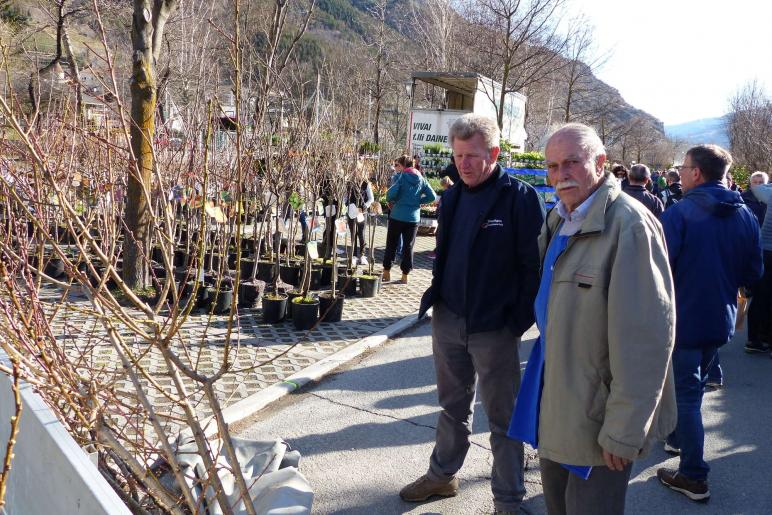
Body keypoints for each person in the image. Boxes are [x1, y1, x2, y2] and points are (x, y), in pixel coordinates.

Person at [509, 123, 676, 515]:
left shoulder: (629, 226)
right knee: (558, 507)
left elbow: (647, 341)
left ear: (600, 163)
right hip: (558, 401)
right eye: (552, 166)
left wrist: (623, 430)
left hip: (600, 417)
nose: (560, 174)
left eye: (571, 162)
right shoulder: (561, 217)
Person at [403, 114, 544, 514]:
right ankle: (442, 476)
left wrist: (516, 322)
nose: (464, 164)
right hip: (448, 319)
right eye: (459, 155)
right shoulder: (451, 197)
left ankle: (508, 499)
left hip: (495, 327)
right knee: (451, 407)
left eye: (473, 156)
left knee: (504, 419)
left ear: (494, 153)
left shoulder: (518, 198)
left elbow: (531, 266)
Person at [657, 145, 763, 502]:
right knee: (693, 387)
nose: (681, 173)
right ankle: (677, 439)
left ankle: (693, 475)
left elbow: (658, 271)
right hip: (720, 317)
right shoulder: (746, 215)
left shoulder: (680, 213)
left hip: (682, 317)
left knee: (686, 393)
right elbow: (754, 273)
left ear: (697, 173)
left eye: (684, 168)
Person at [382, 155, 436, 284]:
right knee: (408, 247)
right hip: (413, 218)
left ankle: (387, 272)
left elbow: (390, 193)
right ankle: (405, 275)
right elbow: (432, 196)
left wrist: (391, 200)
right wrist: (419, 201)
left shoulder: (402, 177)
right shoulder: (422, 179)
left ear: (404, 166)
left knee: (391, 244)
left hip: (397, 216)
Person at [745, 171, 772, 355]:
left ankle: (754, 339)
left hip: (765, 249)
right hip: (767, 249)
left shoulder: (769, 193)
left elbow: (758, 189)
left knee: (761, 295)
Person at [344, 163, 374, 266]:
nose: (355, 172)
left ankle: (362, 255)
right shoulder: (348, 183)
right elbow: (345, 196)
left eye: (357, 170)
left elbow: (371, 198)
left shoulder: (366, 183)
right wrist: (347, 205)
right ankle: (353, 255)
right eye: (353, 170)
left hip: (362, 212)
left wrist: (365, 206)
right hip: (351, 211)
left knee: (361, 233)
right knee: (353, 233)